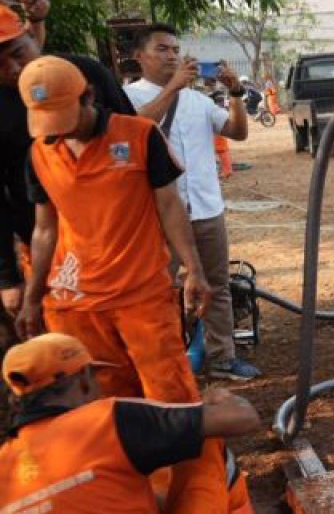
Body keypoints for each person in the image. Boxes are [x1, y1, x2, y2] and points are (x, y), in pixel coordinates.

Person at [15, 55, 230, 511]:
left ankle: (198, 499)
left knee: (172, 404)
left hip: (140, 298)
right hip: (73, 306)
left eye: (62, 117)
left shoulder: (138, 137)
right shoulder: (40, 152)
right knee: (101, 411)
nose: (56, 131)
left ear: (89, 96)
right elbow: (44, 229)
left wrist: (193, 269)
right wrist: (33, 299)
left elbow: (170, 207)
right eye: (45, 122)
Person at [125, 25, 258, 381]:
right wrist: (172, 88)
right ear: (139, 56)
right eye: (162, 49)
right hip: (157, 215)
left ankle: (222, 356)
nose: (172, 56)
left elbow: (237, 132)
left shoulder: (198, 101)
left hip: (205, 209)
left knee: (216, 284)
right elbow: (135, 128)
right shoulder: (129, 98)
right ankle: (163, 362)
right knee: (159, 289)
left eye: (175, 49)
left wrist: (234, 93)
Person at [1, 333, 259, 513]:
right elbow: (242, 419)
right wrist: (219, 396)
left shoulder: (5, 463)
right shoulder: (105, 420)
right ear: (83, 380)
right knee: (204, 443)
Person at [0, 4, 135, 323]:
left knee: (136, 334)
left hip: (119, 238)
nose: (13, 68)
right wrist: (8, 277)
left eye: (18, 52)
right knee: (69, 340)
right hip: (48, 244)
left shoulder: (86, 73)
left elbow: (134, 138)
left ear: (32, 35)